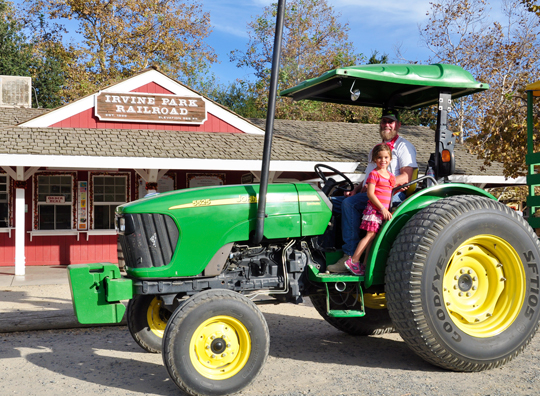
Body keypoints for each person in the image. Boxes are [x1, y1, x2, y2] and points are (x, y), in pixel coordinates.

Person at [328, 109, 417, 273]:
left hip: (389, 196)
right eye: (384, 121)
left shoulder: (404, 146)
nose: (387, 125)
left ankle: (349, 256)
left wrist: (381, 185)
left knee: (349, 204)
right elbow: (370, 176)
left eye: (390, 122)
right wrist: (356, 189)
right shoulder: (377, 148)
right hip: (370, 192)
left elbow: (405, 177)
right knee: (331, 202)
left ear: (398, 124)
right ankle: (326, 250)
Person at [344, 143, 395, 275]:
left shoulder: (391, 177)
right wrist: (382, 209)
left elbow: (388, 193)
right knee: (369, 236)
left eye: (385, 157)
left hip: (382, 212)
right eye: (379, 157)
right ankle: (353, 260)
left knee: (373, 238)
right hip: (374, 210)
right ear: (374, 159)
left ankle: (365, 265)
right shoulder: (374, 174)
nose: (383, 160)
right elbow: (370, 194)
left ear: (390, 158)